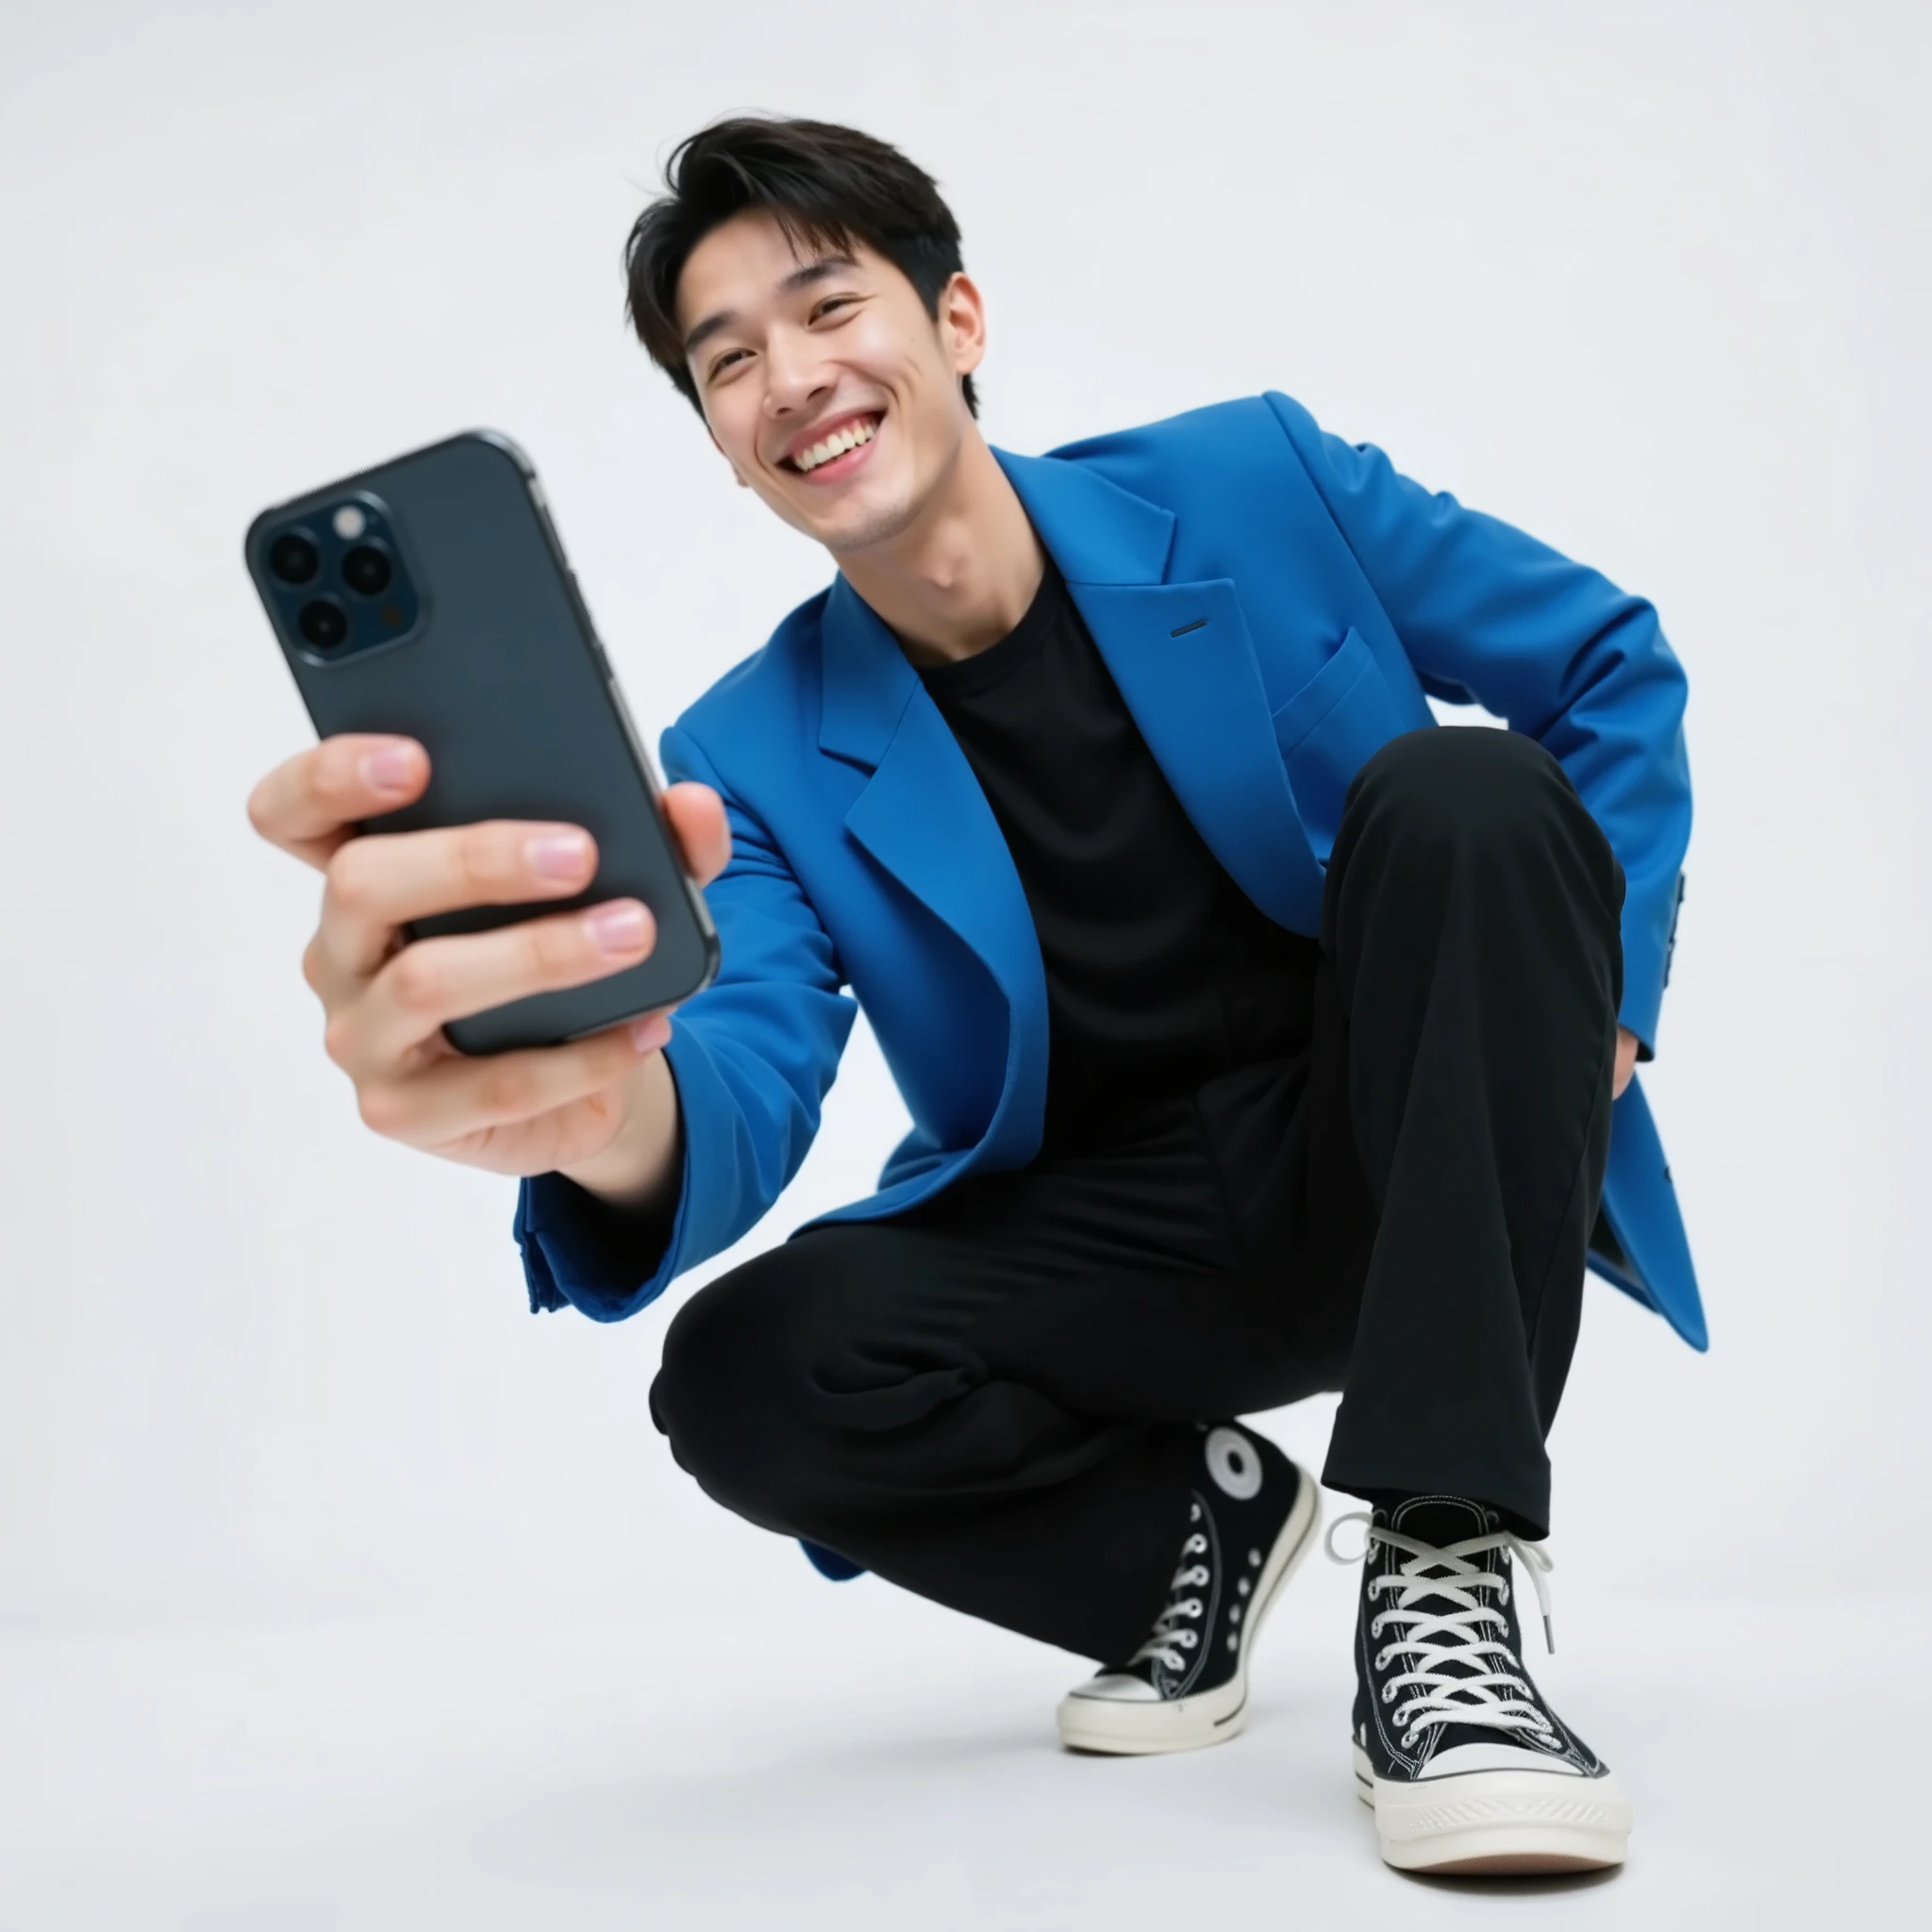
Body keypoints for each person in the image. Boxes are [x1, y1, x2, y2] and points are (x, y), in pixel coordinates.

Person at [247, 115, 1697, 1876]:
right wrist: (597, 1109)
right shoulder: (749, 754)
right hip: (1116, 1246)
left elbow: (1606, 665)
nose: (790, 377)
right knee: (751, 1365)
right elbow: (742, 1072)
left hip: (1409, 1147)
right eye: (727, 363)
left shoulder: (1256, 478)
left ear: (960, 323)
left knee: (1459, 796)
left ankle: (1451, 1584)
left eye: (827, 305)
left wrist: (1595, 1014)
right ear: (721, 446)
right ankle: (1195, 1547)